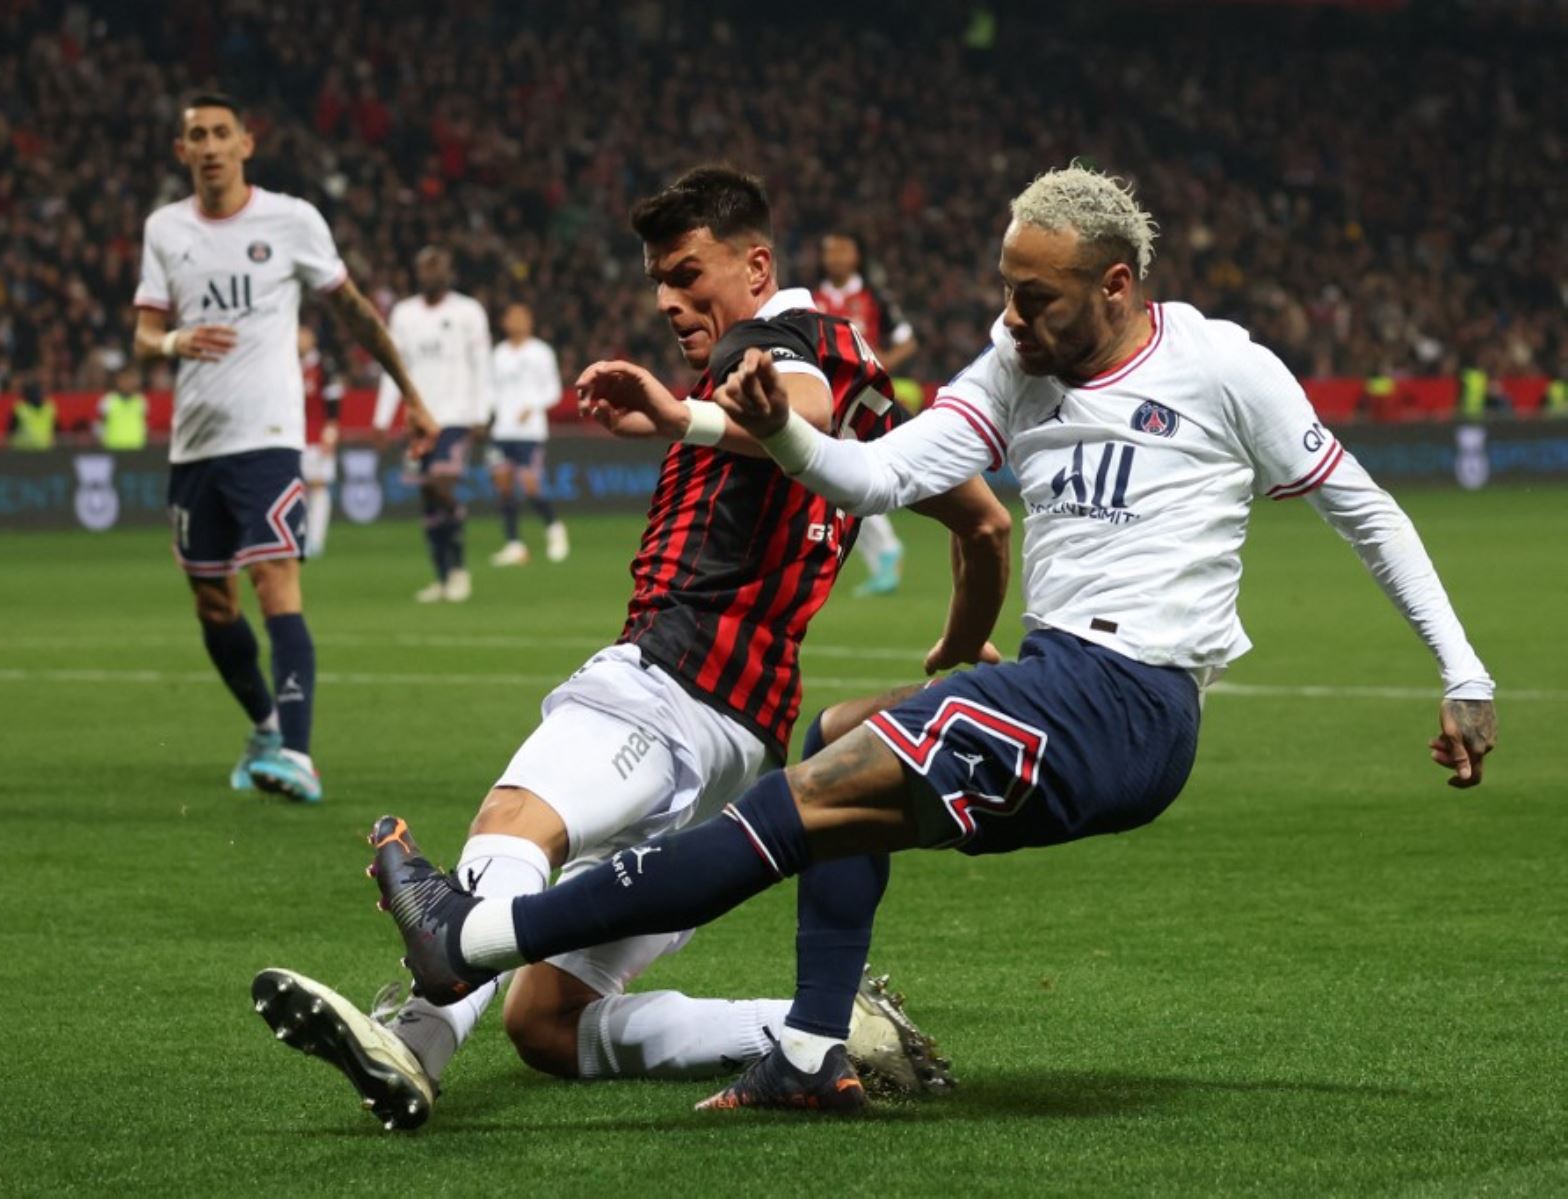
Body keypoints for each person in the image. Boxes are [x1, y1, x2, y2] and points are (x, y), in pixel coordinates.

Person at [371, 165, 1501, 1115]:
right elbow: (878, 471)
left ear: (1116, 284)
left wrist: (1463, 671)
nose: (1012, 319)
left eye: (1037, 297)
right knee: (835, 737)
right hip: (1056, 680)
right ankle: (813, 1050)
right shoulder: (1016, 371)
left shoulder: (1222, 368)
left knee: (806, 795)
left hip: (1134, 699)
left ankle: (471, 939)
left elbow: (1366, 506)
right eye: (1007, 292)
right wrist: (721, 420)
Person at [252, 165, 1012, 1131]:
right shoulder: (874, 397)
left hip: (670, 680)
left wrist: (680, 413)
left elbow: (799, 408)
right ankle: (820, 1029)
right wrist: (954, 639)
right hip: (747, 738)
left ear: (756, 265)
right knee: (548, 1022)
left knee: (514, 820)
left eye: (688, 272)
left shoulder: (775, 341)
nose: (668, 300)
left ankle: (417, 1039)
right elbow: (984, 523)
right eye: (657, 278)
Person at [133, 92, 433, 804]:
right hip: (193, 446)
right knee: (213, 603)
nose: (208, 146)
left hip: (268, 438)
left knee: (276, 584)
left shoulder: (292, 220)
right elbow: (144, 333)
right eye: (195, 136)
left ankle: (299, 753)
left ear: (246, 142)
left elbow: (353, 309)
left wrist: (412, 393)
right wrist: (174, 340)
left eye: (220, 133)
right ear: (182, 152)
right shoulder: (164, 229)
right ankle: (266, 726)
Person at [374, 247, 492, 602]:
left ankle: (458, 570)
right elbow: (394, 366)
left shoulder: (467, 311)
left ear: (449, 272)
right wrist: (381, 418)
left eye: (436, 267)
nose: (430, 274)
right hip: (418, 420)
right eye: (424, 268)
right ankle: (441, 577)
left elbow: (481, 363)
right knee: (428, 499)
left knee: (443, 488)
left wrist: (482, 412)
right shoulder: (404, 313)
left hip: (455, 417)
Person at [814, 230, 919, 596]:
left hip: (860, 398)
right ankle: (883, 557)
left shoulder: (874, 297)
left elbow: (908, 339)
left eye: (842, 249)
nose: (835, 256)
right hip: (824, 398)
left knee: (844, 476)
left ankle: (884, 554)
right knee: (840, 479)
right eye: (829, 249)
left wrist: (881, 363)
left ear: (856, 256)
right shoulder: (814, 299)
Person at [487, 302, 569, 567]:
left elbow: (554, 390)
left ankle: (554, 528)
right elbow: (490, 390)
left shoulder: (541, 352)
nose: (515, 321)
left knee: (530, 485)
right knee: (503, 487)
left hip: (530, 431)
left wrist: (532, 406)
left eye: (521, 316)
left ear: (530, 321)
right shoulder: (497, 354)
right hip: (502, 430)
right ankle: (514, 545)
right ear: (504, 322)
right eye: (511, 316)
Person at [297, 326, 343, 558]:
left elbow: (333, 405)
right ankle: (300, 536)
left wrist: (331, 433)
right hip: (294, 437)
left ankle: (316, 540)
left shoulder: (324, 366)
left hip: (317, 437)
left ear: (312, 339)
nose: (299, 340)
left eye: (303, 335)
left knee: (318, 485)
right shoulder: (289, 365)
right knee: (298, 489)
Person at [96, 365, 149, 450]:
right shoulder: (108, 400)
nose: (126, 383)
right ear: (117, 381)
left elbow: (144, 425)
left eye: (129, 379)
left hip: (137, 449)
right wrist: (101, 443)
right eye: (123, 380)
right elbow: (99, 425)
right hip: (113, 448)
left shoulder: (141, 401)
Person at [7, 382, 56, 450]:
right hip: (22, 450)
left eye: (38, 392)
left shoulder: (49, 408)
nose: (36, 395)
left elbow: (56, 430)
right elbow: (10, 431)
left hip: (44, 449)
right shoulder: (20, 408)